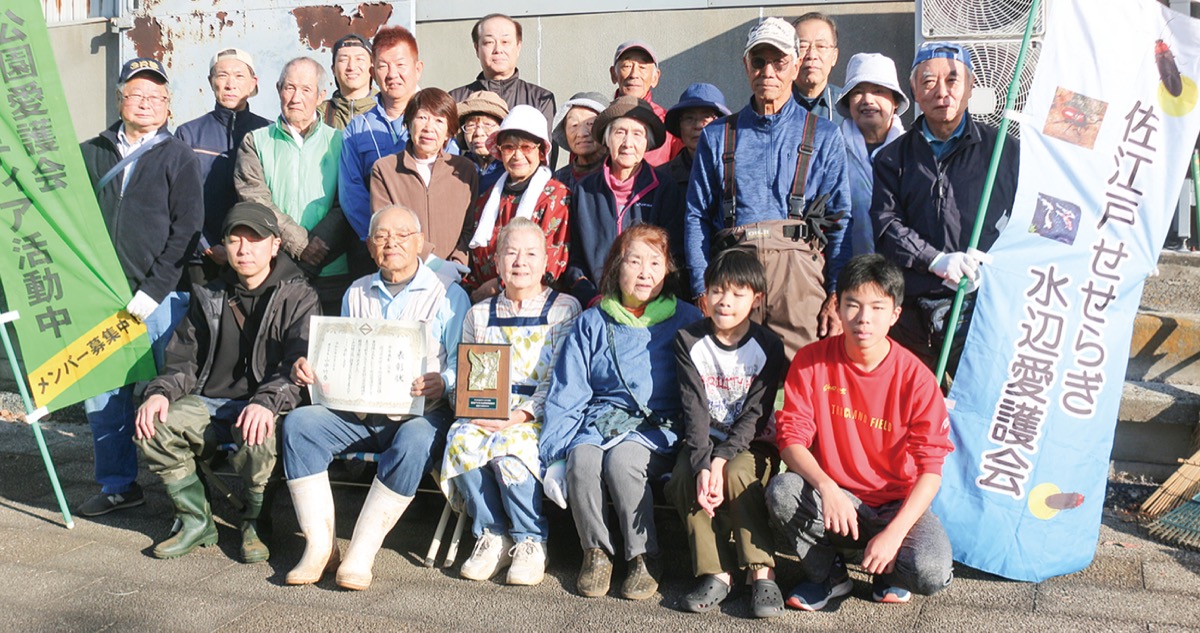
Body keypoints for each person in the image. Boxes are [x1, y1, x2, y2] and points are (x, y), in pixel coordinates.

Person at [282, 205, 470, 590]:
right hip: (360, 413)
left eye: (402, 235)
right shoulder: (357, 292)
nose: (392, 243)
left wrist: (443, 382)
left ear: (419, 243)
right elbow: (345, 358)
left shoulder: (449, 296)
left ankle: (363, 549)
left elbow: (463, 363)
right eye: (382, 236)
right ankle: (320, 546)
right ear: (369, 246)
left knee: (416, 440)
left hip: (421, 413)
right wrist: (313, 370)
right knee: (299, 424)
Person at [766, 254, 955, 610]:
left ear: (895, 314)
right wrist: (827, 487)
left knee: (931, 572)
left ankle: (888, 569)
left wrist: (894, 533)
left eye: (877, 308)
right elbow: (790, 440)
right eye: (852, 305)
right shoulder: (811, 361)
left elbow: (932, 471)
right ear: (837, 307)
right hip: (835, 496)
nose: (863, 319)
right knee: (783, 490)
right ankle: (829, 576)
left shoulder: (917, 379)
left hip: (893, 502)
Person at [133, 202, 319, 562]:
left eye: (255, 240)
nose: (244, 249)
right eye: (235, 240)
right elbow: (184, 359)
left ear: (275, 245)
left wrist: (266, 401)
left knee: (258, 431)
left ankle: (254, 521)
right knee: (152, 423)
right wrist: (159, 393)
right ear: (224, 246)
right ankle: (195, 520)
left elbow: (298, 365)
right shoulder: (209, 294)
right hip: (211, 401)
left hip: (266, 404)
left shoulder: (299, 296)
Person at [540, 224, 703, 601]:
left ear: (667, 270)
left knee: (623, 462)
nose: (645, 272)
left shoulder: (687, 320)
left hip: (657, 425)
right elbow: (569, 391)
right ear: (617, 265)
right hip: (600, 420)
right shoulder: (591, 322)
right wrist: (554, 453)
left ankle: (644, 555)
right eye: (635, 261)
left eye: (655, 262)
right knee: (581, 459)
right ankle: (595, 552)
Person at [76, 57, 202, 517]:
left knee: (172, 390)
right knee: (105, 396)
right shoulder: (91, 152)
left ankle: (185, 488)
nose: (146, 103)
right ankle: (117, 485)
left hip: (161, 296)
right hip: (103, 298)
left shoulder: (178, 156)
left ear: (168, 106)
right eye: (136, 94)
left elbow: (187, 229)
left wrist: (152, 291)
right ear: (119, 100)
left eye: (156, 97)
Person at [684, 17, 852, 360]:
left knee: (804, 379)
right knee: (732, 381)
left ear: (794, 65)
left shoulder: (823, 135)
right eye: (759, 61)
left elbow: (840, 220)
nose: (768, 71)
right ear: (747, 65)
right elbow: (696, 214)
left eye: (779, 61)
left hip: (800, 279)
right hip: (732, 271)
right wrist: (702, 286)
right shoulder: (717, 135)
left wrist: (835, 293)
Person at [440, 218, 581, 586]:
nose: (521, 261)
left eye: (531, 253)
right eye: (511, 253)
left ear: (547, 259)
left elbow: (562, 378)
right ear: (498, 263)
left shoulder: (564, 310)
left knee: (510, 453)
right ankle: (491, 534)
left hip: (539, 414)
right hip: (489, 411)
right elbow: (463, 368)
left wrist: (520, 414)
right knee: (462, 441)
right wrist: (466, 402)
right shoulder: (478, 313)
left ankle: (530, 539)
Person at [869, 42, 1018, 376]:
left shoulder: (1004, 150)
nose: (942, 92)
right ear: (914, 92)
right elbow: (885, 223)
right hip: (913, 309)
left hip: (982, 307)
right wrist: (934, 260)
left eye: (953, 81)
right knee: (915, 413)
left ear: (970, 87)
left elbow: (1025, 219)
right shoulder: (893, 157)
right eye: (928, 82)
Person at [666, 249, 787, 618]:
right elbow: (694, 409)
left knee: (736, 474)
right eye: (717, 290)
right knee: (688, 476)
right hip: (704, 438)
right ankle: (716, 570)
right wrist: (704, 462)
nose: (725, 301)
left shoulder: (768, 345)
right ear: (705, 293)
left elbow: (754, 415)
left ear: (756, 299)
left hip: (751, 443)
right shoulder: (688, 340)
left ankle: (761, 570)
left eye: (737, 294)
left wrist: (721, 459)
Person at [234, 57, 352, 316]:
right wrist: (300, 245)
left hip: (332, 272)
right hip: (275, 269)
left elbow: (347, 203)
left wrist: (317, 248)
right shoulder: (256, 141)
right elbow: (255, 199)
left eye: (306, 89)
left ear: (321, 96)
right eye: (289, 87)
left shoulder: (341, 141)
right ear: (278, 90)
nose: (296, 97)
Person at [341, 26, 446, 278]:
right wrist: (384, 239)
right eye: (383, 66)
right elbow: (351, 195)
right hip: (380, 254)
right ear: (373, 73)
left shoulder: (439, 119)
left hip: (437, 254)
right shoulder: (357, 128)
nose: (392, 74)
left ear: (418, 68)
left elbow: (448, 181)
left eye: (400, 64)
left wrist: (425, 250)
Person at [562, 95, 687, 305]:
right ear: (606, 140)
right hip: (597, 305)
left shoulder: (665, 189)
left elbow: (676, 257)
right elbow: (575, 260)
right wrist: (592, 298)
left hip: (652, 306)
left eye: (637, 134)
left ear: (648, 143)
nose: (628, 143)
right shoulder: (584, 191)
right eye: (620, 132)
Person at [175, 48, 270, 285]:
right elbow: (181, 199)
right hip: (201, 260)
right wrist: (206, 246)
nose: (230, 84)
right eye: (222, 76)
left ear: (253, 83)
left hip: (254, 259)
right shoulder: (189, 134)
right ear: (211, 82)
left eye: (239, 76)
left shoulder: (267, 133)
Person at [458, 105, 571, 303]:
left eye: (526, 147)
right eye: (509, 147)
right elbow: (474, 262)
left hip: (537, 304)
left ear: (541, 151)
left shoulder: (556, 197)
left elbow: (553, 264)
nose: (517, 156)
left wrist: (497, 286)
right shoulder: (486, 200)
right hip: (485, 304)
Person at [370, 88, 479, 270]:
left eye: (439, 120)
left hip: (455, 278)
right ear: (409, 123)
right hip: (404, 275)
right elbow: (385, 227)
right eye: (422, 118)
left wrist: (457, 264)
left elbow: (470, 227)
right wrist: (432, 262)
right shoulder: (385, 169)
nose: (429, 128)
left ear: (449, 132)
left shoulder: (465, 170)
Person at [449, 13, 556, 164]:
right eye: (489, 42)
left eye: (505, 41)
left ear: (518, 46)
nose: (498, 49)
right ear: (476, 48)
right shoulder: (456, 98)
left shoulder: (540, 99)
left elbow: (545, 158)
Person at [837, 53, 909, 257]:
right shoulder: (834, 151)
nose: (868, 100)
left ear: (895, 101)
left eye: (878, 91)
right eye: (858, 92)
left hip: (902, 273)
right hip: (849, 271)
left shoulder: (911, 152)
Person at [609, 40, 681, 166]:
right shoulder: (598, 121)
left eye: (642, 67)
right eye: (627, 66)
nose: (634, 74)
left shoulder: (669, 123)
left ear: (655, 77)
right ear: (614, 74)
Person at [663, 83, 730, 189]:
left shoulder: (738, 171)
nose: (698, 125)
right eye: (689, 118)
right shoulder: (662, 179)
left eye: (706, 117)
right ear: (679, 126)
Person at [317, 34, 377, 129]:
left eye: (359, 59)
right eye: (343, 60)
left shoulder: (389, 111)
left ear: (372, 66)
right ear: (333, 69)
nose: (351, 67)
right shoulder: (318, 115)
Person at [550, 92, 608, 191]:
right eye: (574, 125)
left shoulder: (620, 177)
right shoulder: (557, 182)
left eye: (590, 124)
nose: (581, 133)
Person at [791, 13, 842, 124]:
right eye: (803, 46)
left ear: (834, 56)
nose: (812, 55)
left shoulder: (846, 106)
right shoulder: (776, 104)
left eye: (821, 46)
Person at [456, 90, 509, 194]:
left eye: (488, 125)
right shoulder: (456, 168)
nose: (478, 133)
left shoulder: (510, 169)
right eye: (471, 126)